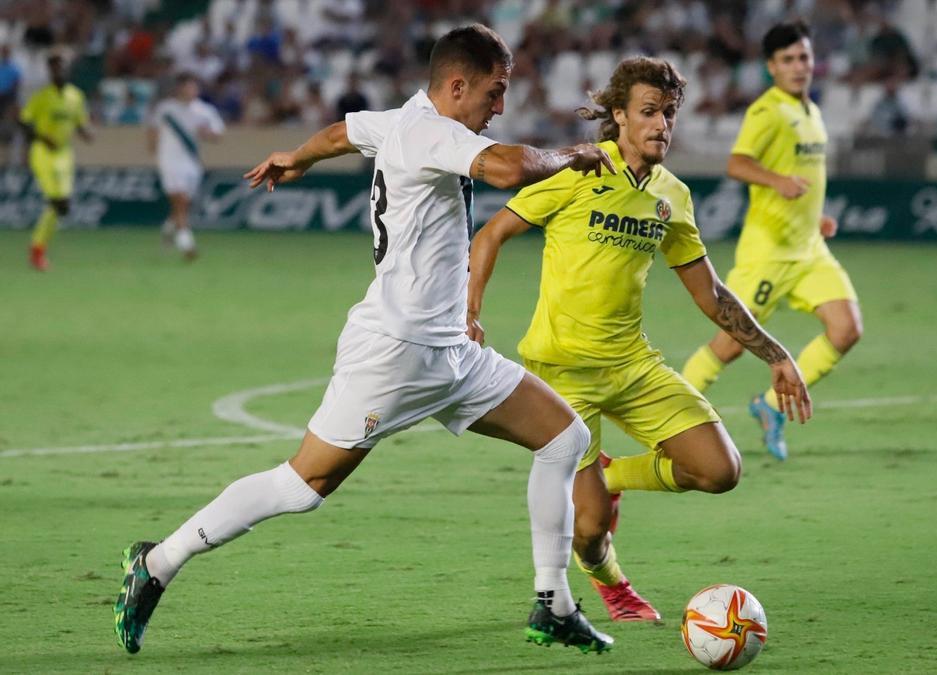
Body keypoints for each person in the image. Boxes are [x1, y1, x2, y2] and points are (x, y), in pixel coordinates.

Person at [114, 24, 619, 656]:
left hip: (450, 353)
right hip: (396, 354)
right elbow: (510, 168)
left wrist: (297, 155)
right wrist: (571, 154)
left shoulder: (401, 120)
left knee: (564, 437)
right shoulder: (433, 132)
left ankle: (554, 604)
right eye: (495, 92)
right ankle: (158, 562)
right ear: (457, 85)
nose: (500, 107)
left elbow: (342, 133)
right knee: (302, 487)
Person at [468, 57, 811, 623]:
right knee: (589, 530)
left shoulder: (671, 195)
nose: (661, 125)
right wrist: (470, 310)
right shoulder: (576, 171)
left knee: (721, 471)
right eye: (649, 112)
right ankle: (615, 587)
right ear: (619, 116)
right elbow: (491, 234)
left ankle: (611, 475)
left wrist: (776, 354)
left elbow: (712, 294)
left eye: (669, 114)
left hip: (632, 366)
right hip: (561, 375)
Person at [681, 21, 862, 460]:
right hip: (768, 255)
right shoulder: (768, 111)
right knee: (727, 347)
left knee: (846, 329)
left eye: (803, 57)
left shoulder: (812, 112)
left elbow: (802, 178)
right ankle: (676, 420)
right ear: (771, 67)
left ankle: (768, 406)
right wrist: (777, 182)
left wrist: (814, 217)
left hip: (809, 251)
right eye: (787, 60)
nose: (798, 67)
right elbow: (738, 163)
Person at [22, 52, 93, 271]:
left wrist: (86, 132)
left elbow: (80, 122)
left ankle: (37, 248)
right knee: (57, 202)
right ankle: (37, 252)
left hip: (64, 153)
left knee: (62, 206)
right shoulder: (41, 97)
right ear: (49, 71)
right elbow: (24, 123)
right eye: (54, 67)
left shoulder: (75, 96)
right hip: (42, 152)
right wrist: (43, 138)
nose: (59, 71)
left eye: (62, 67)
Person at [148, 74, 225, 260]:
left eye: (194, 87)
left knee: (183, 204)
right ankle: (187, 244)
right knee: (181, 201)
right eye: (188, 87)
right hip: (169, 161)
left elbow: (218, 134)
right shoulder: (166, 109)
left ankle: (168, 228)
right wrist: (152, 146)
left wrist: (207, 134)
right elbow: (153, 129)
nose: (192, 91)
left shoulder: (204, 111)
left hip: (191, 163)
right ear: (179, 89)